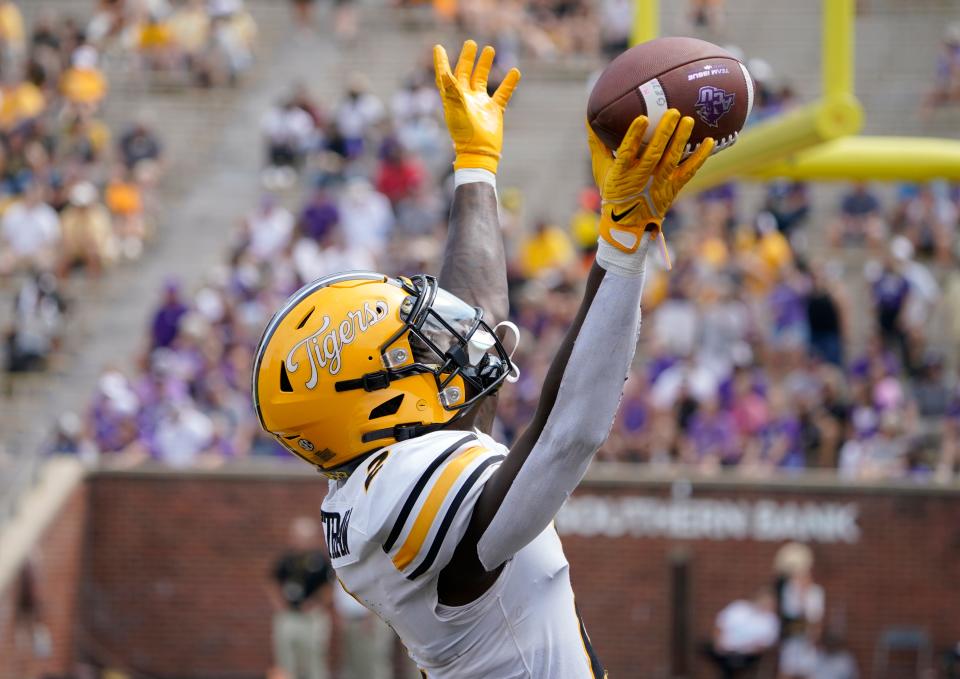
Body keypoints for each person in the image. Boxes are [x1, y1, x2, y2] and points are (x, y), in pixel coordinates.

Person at [251, 39, 713, 678]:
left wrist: (476, 165)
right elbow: (566, 436)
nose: (438, 344)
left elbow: (477, 321)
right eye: (410, 349)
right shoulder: (402, 501)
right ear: (371, 399)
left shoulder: (378, 478)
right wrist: (623, 244)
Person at [270, 517, 333, 679]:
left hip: (311, 617)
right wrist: (278, 603)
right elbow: (271, 581)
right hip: (289, 614)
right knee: (286, 660)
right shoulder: (286, 559)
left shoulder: (320, 561)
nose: (302, 542)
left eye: (306, 538)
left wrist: (317, 603)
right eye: (298, 537)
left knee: (313, 660)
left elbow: (329, 587)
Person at [774, 543, 825, 679]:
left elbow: (816, 616)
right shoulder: (789, 590)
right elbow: (791, 613)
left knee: (808, 671)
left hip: (808, 635)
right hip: (792, 634)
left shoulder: (816, 592)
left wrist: (815, 635)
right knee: (787, 670)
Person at [708, 589, 780, 679]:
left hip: (745, 655)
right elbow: (720, 624)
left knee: (733, 665)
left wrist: (745, 649)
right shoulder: (740, 608)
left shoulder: (771, 620)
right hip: (723, 649)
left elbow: (765, 644)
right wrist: (718, 642)